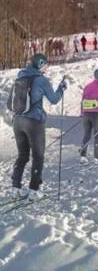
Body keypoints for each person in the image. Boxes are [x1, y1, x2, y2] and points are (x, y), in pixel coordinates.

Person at [9, 54, 68, 201]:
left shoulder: (20, 77)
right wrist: (62, 88)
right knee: (38, 156)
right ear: (40, 64)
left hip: (17, 121)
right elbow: (54, 99)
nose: (47, 67)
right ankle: (34, 190)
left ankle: (15, 188)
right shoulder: (41, 80)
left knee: (22, 156)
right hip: (33, 122)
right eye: (46, 64)